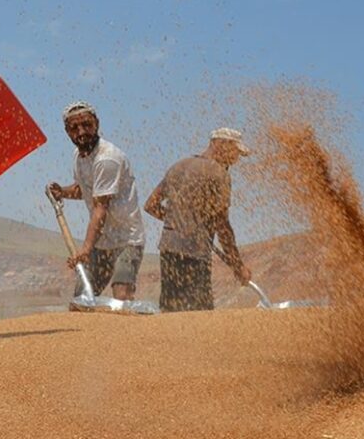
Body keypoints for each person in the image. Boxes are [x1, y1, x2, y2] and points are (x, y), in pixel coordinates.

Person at [144, 127, 252, 312]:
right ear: (219, 144)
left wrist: (177, 221)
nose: (235, 159)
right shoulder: (219, 174)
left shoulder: (178, 166)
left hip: (169, 248)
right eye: (235, 152)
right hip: (195, 251)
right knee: (200, 314)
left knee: (171, 311)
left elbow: (150, 206)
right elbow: (223, 226)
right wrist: (237, 266)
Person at [47, 101, 145, 301]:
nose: (81, 132)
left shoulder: (107, 158)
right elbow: (84, 189)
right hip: (102, 241)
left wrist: (85, 250)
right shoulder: (79, 156)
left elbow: (101, 208)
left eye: (87, 125)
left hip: (126, 239)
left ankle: (129, 332)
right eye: (74, 128)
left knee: (121, 296)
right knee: (83, 298)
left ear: (97, 124)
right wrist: (62, 192)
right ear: (67, 131)